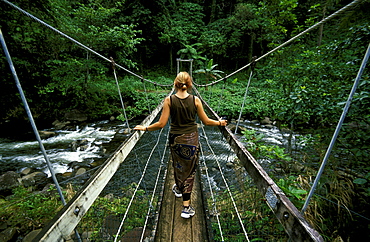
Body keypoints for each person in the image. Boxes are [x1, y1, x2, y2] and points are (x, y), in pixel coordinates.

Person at [134, 71, 227, 219]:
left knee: (178, 166)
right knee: (189, 172)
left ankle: (178, 188)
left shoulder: (169, 100)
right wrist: (220, 123)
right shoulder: (196, 100)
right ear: (189, 84)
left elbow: (161, 124)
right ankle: (186, 207)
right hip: (191, 140)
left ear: (175, 83)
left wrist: (145, 128)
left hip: (175, 139)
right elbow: (207, 122)